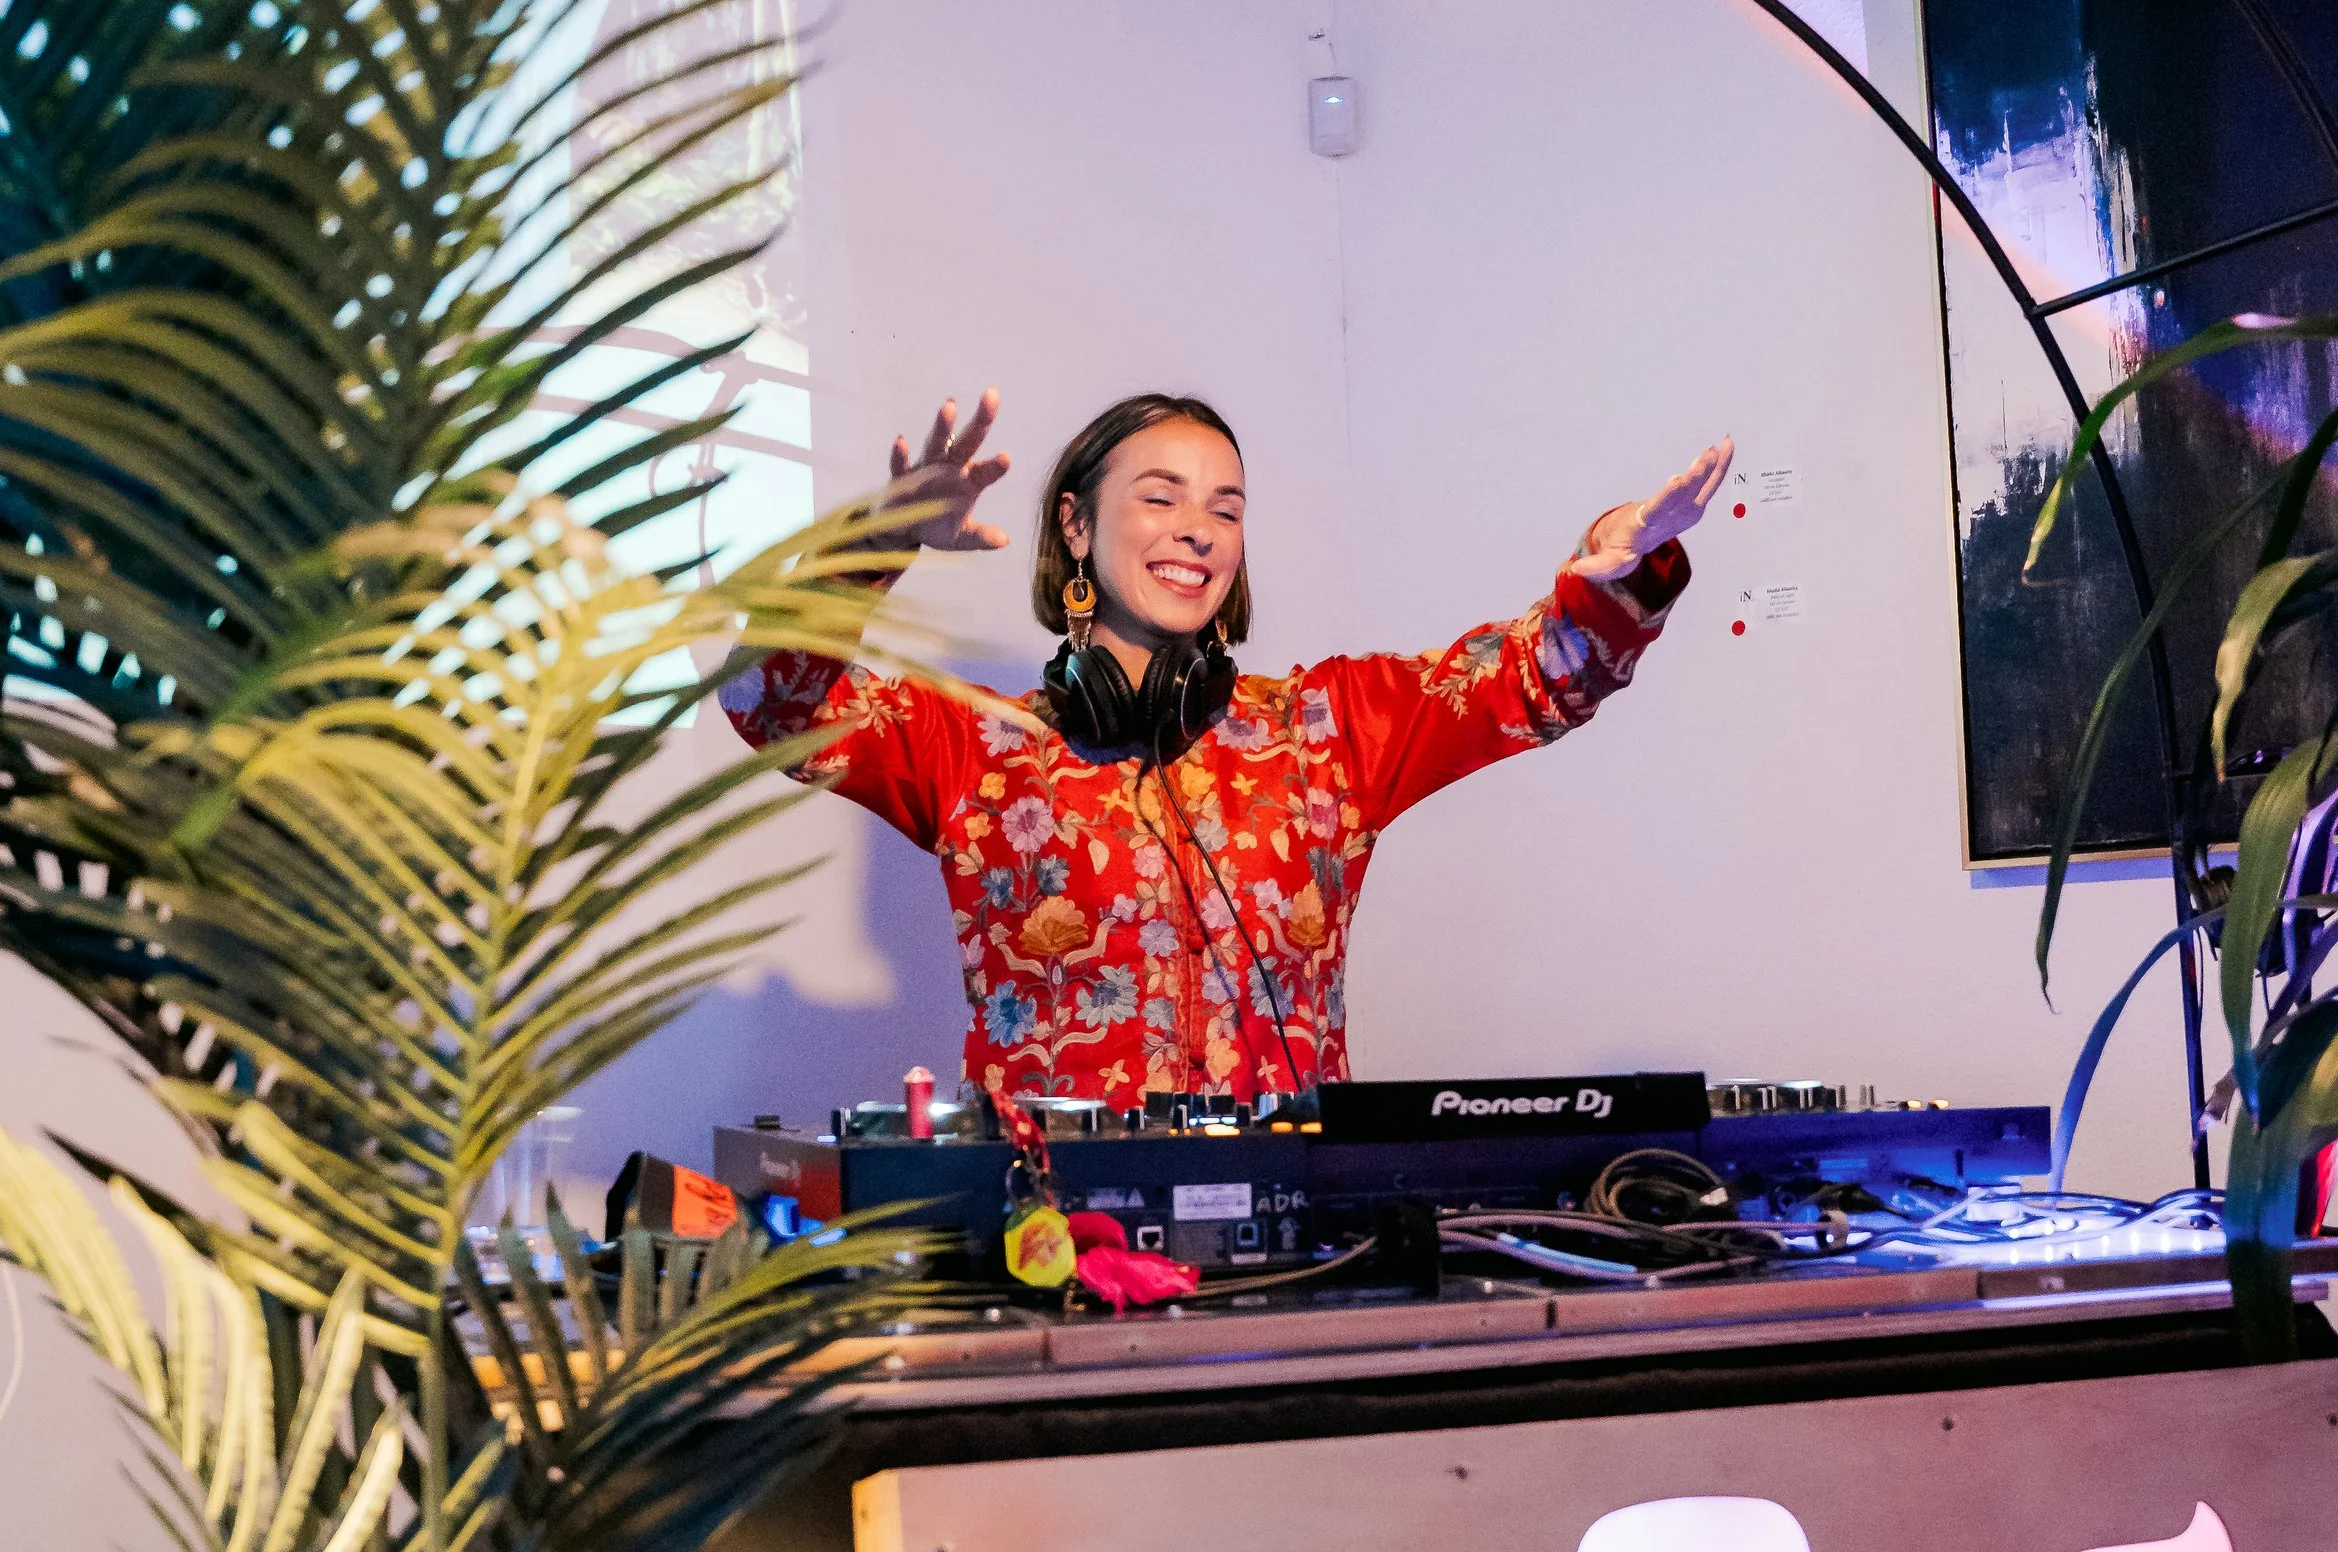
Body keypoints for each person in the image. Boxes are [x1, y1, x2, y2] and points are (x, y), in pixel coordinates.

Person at [720, 387, 1731, 1111]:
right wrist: (876, 542)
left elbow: (1545, 673)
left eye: (1225, 507)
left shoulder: (1332, 728)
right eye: (1160, 497)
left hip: (1297, 1241)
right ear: (1075, 525)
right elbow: (769, 698)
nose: (1196, 530)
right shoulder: (974, 746)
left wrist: (1621, 555)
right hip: (1049, 1249)